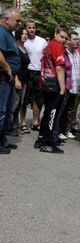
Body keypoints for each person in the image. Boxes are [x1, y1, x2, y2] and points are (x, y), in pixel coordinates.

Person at [37, 24, 68, 153]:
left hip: (45, 82)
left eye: (66, 38)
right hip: (53, 84)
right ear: (56, 33)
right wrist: (62, 88)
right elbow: (60, 67)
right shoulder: (57, 46)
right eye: (62, 36)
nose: (64, 40)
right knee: (52, 114)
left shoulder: (48, 45)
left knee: (47, 112)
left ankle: (41, 139)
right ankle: (47, 142)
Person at [0, 6, 21, 154]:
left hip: (9, 77)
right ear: (6, 20)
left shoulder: (9, 33)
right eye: (17, 20)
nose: (19, 23)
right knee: (1, 111)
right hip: (3, 76)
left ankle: (2, 140)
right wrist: (8, 68)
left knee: (7, 111)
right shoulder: (1, 32)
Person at [24, 19, 47, 132]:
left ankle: (35, 121)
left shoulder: (42, 41)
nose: (32, 30)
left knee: (38, 99)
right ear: (26, 28)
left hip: (39, 73)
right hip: (27, 72)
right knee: (24, 99)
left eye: (33, 27)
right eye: (29, 28)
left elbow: (46, 57)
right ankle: (22, 122)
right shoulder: (23, 40)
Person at [12, 28, 30, 135]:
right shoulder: (15, 47)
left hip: (25, 79)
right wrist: (16, 79)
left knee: (20, 103)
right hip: (17, 79)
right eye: (23, 34)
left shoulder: (25, 48)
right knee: (14, 103)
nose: (25, 36)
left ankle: (14, 125)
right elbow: (13, 64)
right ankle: (9, 126)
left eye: (26, 34)